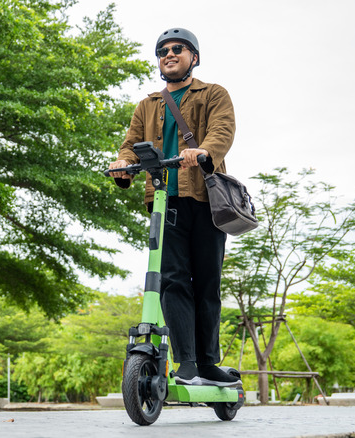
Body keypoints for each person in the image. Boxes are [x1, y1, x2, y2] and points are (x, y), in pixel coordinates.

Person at [108, 28, 241, 387]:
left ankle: (209, 362)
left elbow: (222, 131)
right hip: (163, 200)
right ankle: (187, 363)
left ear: (193, 57)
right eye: (162, 51)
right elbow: (130, 145)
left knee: (207, 282)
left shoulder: (212, 94)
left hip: (203, 198)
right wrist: (122, 164)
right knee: (172, 280)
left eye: (177, 49)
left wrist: (202, 152)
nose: (169, 54)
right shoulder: (148, 104)